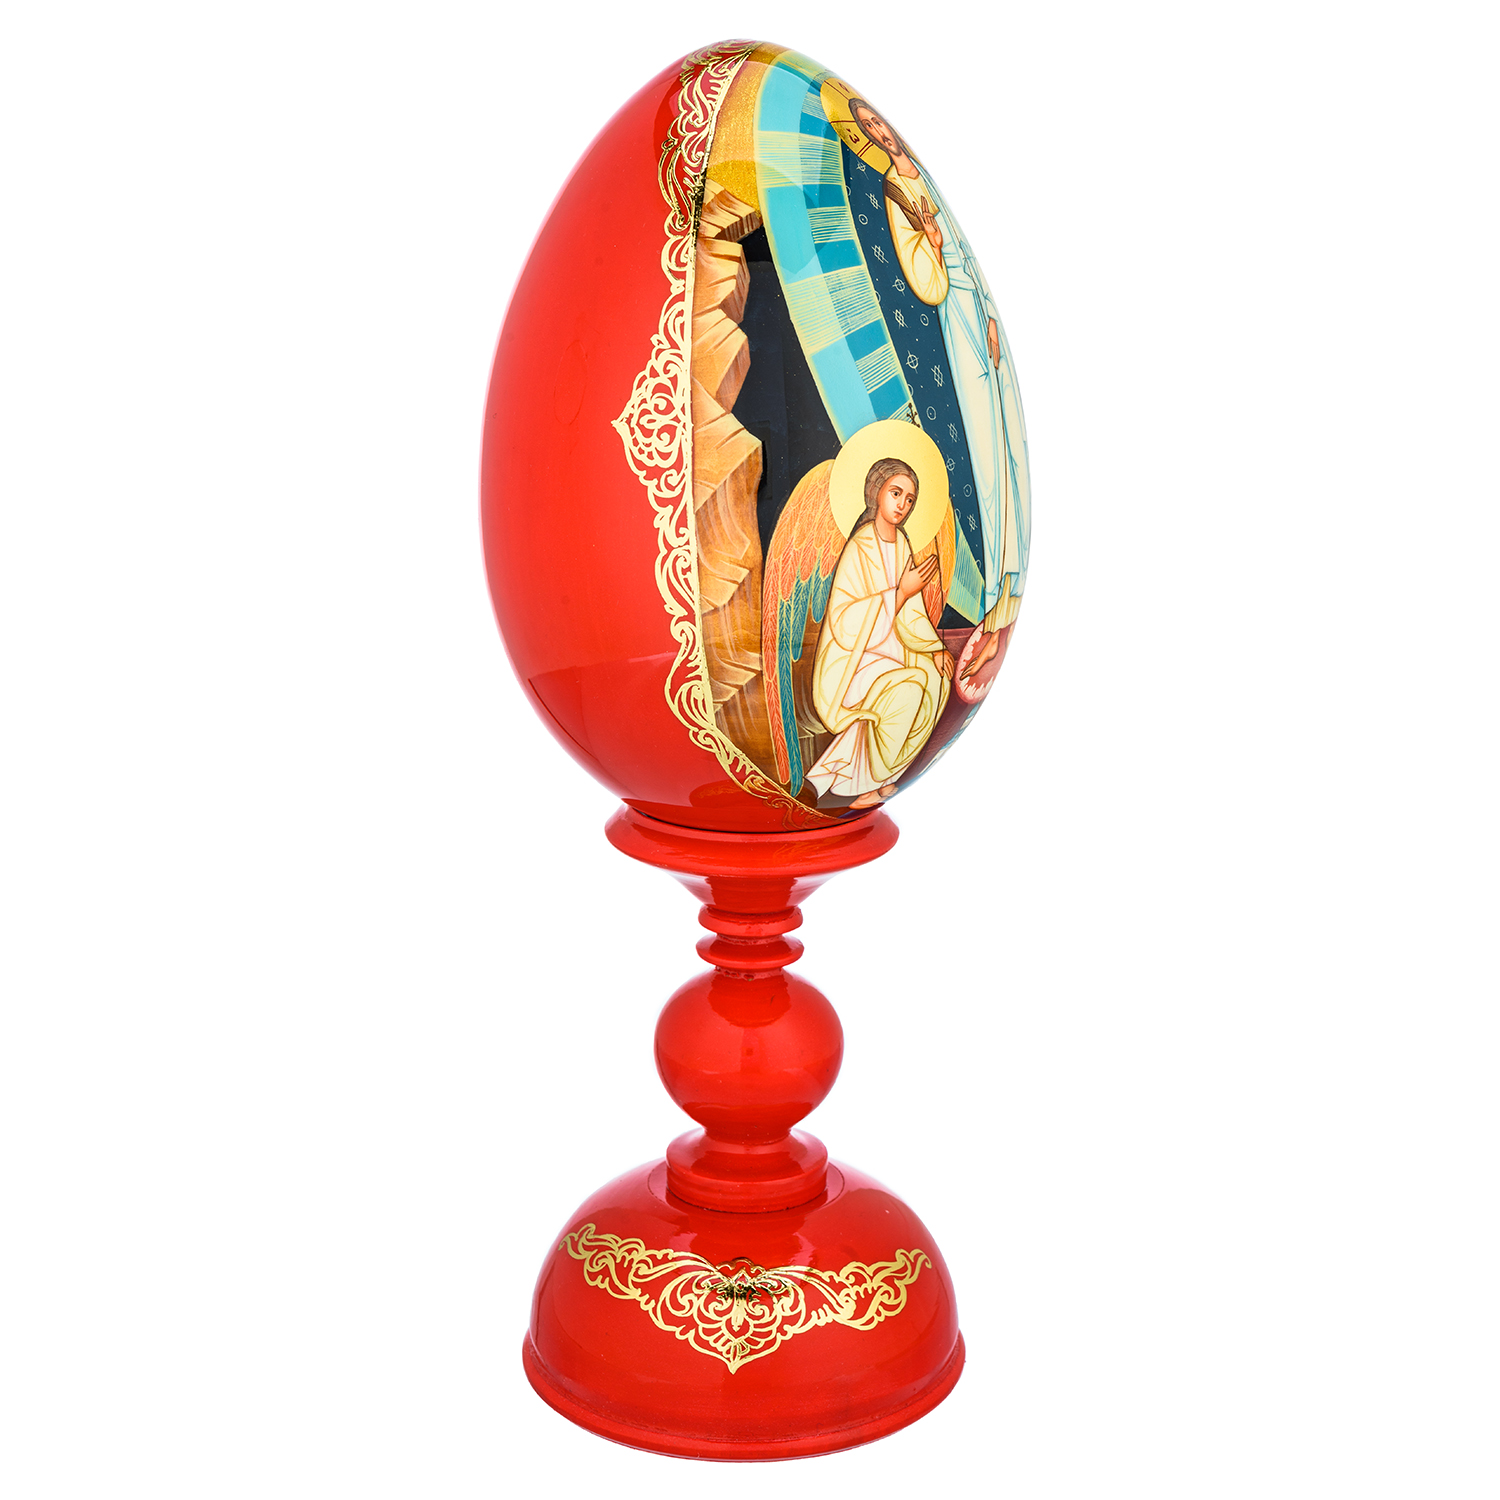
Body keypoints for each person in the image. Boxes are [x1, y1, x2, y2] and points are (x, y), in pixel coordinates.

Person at [848, 98, 1030, 681]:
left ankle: (1003, 595)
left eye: (878, 122)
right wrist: (931, 244)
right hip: (952, 318)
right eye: (868, 127)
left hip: (975, 315)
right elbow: (926, 282)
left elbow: (965, 268)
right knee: (984, 451)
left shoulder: (915, 179)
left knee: (1004, 445)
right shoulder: (893, 193)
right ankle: (994, 592)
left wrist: (991, 316)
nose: (880, 131)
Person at [806, 459, 954, 809]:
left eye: (910, 499)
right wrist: (899, 593)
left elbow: (912, 612)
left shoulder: (901, 544)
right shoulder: (860, 547)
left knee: (936, 680)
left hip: (892, 651)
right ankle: (869, 783)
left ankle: (888, 774)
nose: (902, 505)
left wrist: (935, 648)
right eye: (896, 493)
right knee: (909, 688)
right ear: (876, 492)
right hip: (853, 662)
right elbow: (844, 621)